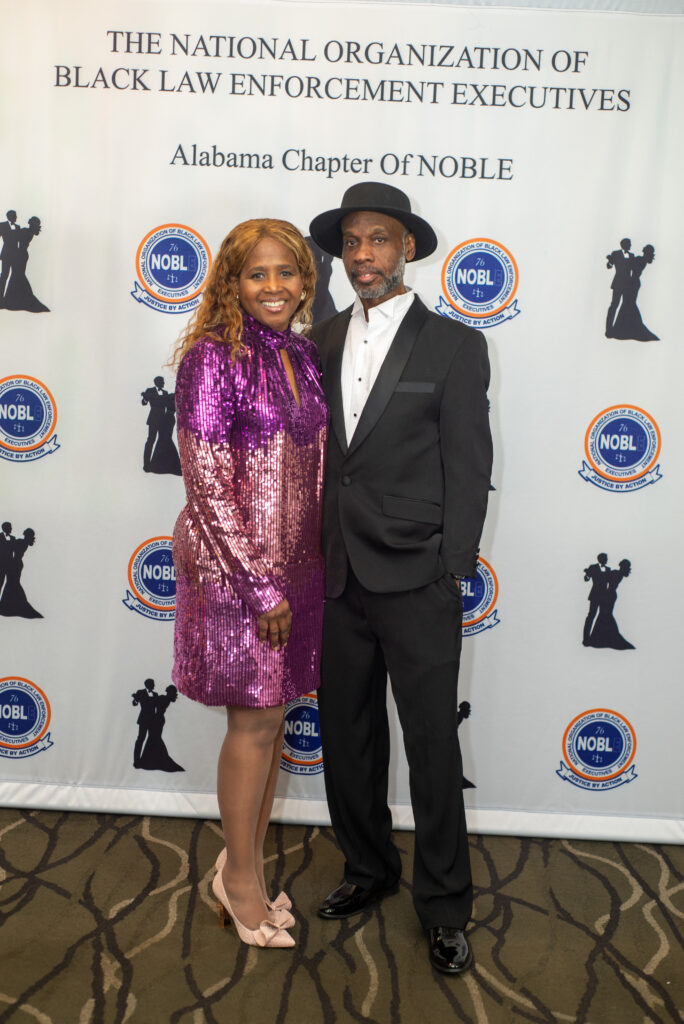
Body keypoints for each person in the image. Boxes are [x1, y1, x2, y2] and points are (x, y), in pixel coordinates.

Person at [308, 182, 492, 976]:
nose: (363, 255)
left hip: (418, 575)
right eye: (351, 242)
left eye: (378, 239)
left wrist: (453, 569)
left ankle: (445, 905)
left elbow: (470, 465)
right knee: (348, 736)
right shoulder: (316, 340)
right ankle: (369, 866)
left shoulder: (454, 344)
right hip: (335, 573)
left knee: (431, 745)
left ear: (407, 247)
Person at [172, 218, 328, 949]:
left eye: (286, 272)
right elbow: (206, 481)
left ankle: (245, 869)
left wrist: (301, 576)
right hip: (237, 573)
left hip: (297, 569)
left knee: (272, 722)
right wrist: (261, 586)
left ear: (306, 280)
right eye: (256, 273)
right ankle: (237, 881)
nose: (274, 286)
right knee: (254, 723)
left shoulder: (303, 353)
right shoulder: (211, 357)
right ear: (231, 284)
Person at [1, 217, 49, 313]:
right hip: (22, 255)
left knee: (17, 275)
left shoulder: (26, 231)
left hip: (20, 256)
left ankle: (16, 299)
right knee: (17, 275)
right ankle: (15, 299)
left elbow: (14, 235)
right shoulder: (29, 231)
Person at [586, 559, 634, 650]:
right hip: (610, 595)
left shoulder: (616, 573)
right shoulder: (619, 574)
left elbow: (603, 576)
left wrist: (591, 572)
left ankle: (601, 638)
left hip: (609, 596)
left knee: (605, 614)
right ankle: (602, 638)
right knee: (605, 615)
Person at [583, 552, 609, 646]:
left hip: (604, 597)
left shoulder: (608, 569)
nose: (606, 560)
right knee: (591, 616)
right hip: (595, 596)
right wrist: (587, 574)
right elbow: (586, 579)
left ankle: (599, 638)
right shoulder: (593, 567)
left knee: (603, 617)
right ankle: (586, 639)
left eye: (606, 558)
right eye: (605, 558)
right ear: (600, 559)